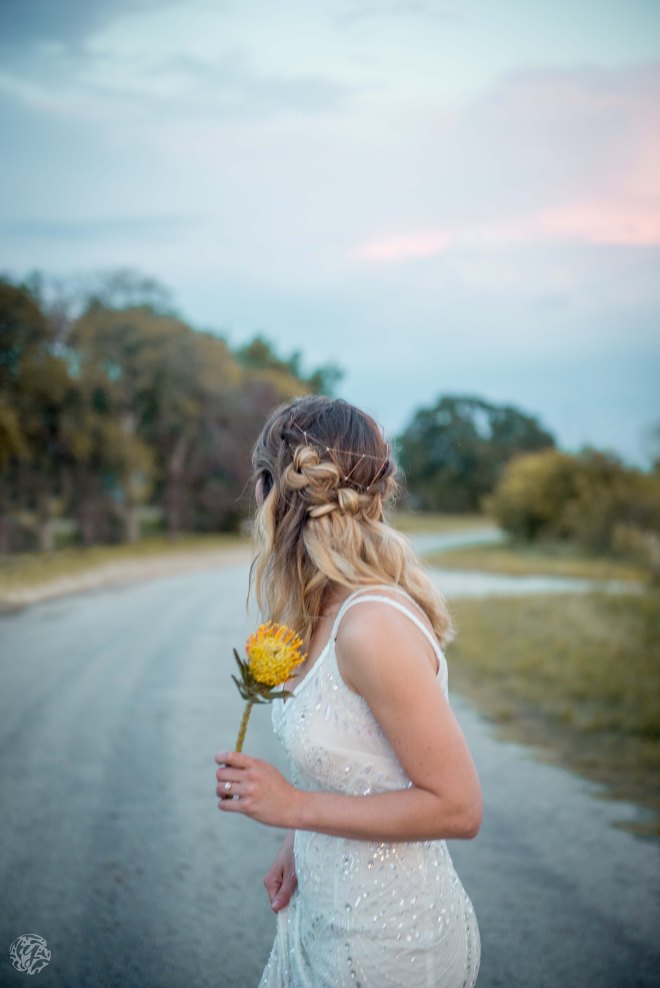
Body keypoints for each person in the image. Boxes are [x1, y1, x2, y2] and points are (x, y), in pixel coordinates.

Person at [215, 395, 482, 987]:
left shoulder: (371, 626)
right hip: (323, 917)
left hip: (390, 944)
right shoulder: (320, 610)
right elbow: (358, 762)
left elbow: (460, 808)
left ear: (270, 492)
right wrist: (297, 840)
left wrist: (296, 807)